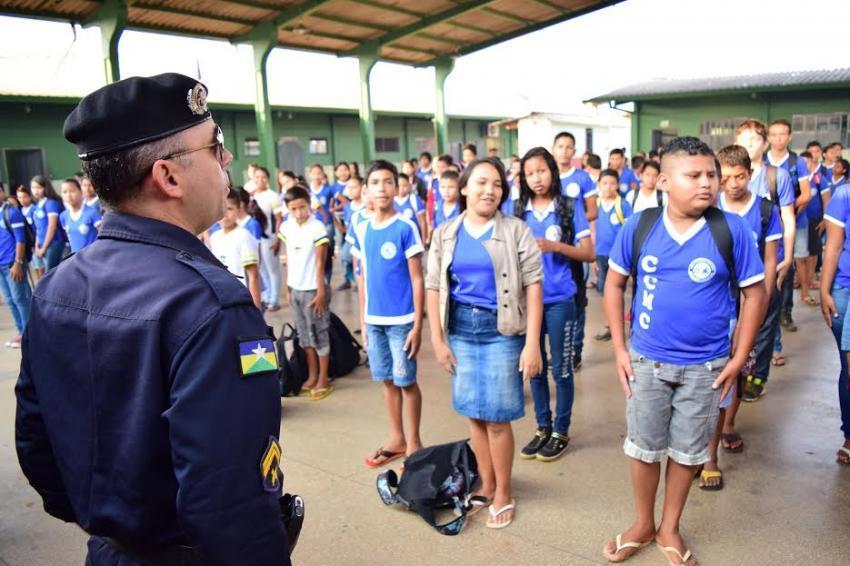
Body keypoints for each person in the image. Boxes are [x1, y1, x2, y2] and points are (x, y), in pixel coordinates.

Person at [15, 73, 292, 564]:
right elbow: (230, 502)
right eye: (215, 146)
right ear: (168, 177)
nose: (226, 159)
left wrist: (109, 524)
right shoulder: (211, 307)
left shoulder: (56, 286)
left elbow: (38, 443)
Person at [602, 137, 766, 564]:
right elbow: (615, 284)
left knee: (688, 450)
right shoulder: (640, 226)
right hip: (646, 361)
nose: (707, 184)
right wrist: (620, 350)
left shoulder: (730, 230)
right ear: (663, 181)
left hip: (706, 367)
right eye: (694, 176)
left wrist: (738, 356)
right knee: (644, 445)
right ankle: (642, 522)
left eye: (711, 174)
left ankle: (670, 527)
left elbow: (755, 293)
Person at [426, 157, 543, 529]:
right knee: (474, 412)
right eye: (480, 182)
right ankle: (488, 483)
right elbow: (432, 285)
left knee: (497, 417)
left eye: (496, 184)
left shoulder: (515, 230)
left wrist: (533, 344)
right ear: (463, 188)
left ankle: (505, 491)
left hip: (502, 331)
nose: (489, 190)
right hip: (460, 329)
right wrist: (438, 340)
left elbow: (534, 286)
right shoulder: (446, 232)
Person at [699, 144, 781, 488]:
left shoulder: (764, 210)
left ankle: (721, 433)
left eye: (740, 176)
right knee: (711, 371)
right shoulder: (708, 208)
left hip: (749, 301)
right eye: (726, 177)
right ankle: (704, 446)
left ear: (751, 174)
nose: (732, 184)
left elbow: (770, 261)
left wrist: (760, 306)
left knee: (739, 367)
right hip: (714, 300)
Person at [512, 148, 593, 463]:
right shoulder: (516, 209)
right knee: (534, 366)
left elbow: (588, 253)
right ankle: (542, 426)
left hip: (561, 299)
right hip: (526, 302)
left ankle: (561, 429)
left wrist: (554, 246)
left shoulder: (569, 207)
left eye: (542, 171)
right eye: (530, 173)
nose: (536, 178)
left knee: (560, 369)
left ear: (553, 172)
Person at [350, 160, 425, 470]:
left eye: (388, 182)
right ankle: (396, 439)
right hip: (375, 321)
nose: (382, 188)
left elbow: (417, 279)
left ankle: (415, 443)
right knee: (387, 382)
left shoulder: (405, 226)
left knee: (406, 381)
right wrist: (363, 321)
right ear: (367, 189)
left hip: (402, 321)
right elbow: (363, 277)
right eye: (376, 182)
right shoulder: (362, 227)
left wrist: (417, 325)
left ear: (397, 187)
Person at [735, 119, 796, 368]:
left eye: (755, 140)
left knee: (766, 314)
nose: (749, 145)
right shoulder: (728, 175)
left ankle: (757, 375)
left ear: (765, 142)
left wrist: (788, 258)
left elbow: (788, 218)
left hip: (768, 257)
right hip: (735, 259)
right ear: (735, 142)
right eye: (744, 140)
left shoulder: (776, 176)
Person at [279, 185, 333, 400]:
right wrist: (288, 285)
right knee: (304, 335)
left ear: (309, 205)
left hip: (313, 289)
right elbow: (288, 258)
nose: (299, 212)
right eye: (294, 208)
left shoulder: (317, 227)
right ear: (288, 209)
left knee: (319, 333)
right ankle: (312, 375)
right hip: (296, 287)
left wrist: (321, 291)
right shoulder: (286, 227)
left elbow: (320, 263)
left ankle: (324, 379)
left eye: (302, 207)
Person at [766, 119, 811, 332]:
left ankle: (786, 312)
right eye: (773, 134)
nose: (778, 138)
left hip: (794, 221)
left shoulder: (796, 162)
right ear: (768, 138)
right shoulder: (762, 161)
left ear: (789, 136)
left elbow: (807, 194)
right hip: (767, 222)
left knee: (788, 265)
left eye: (782, 134)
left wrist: (788, 208)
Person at [820, 183, 850, 466]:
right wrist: (825, 289)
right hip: (846, 289)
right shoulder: (844, 195)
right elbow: (834, 244)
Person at [592, 169, 632, 342]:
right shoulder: (595, 204)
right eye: (605, 183)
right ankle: (609, 326)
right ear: (599, 185)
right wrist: (592, 255)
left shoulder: (623, 205)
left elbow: (629, 231)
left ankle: (618, 326)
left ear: (618, 185)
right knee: (603, 291)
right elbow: (591, 230)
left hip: (618, 257)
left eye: (612, 183)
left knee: (617, 291)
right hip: (600, 255)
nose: (608, 187)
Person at [209, 188, 262, 308]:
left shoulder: (244, 236)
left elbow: (253, 276)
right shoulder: (215, 237)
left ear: (239, 209)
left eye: (230, 208)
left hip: (243, 300)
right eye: (221, 208)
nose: (224, 213)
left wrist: (256, 310)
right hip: (225, 299)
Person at [0, 194, 31, 348]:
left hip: (12, 264)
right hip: (1, 266)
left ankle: (29, 335)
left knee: (21, 299)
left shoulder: (11, 212)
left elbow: (20, 239)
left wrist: (18, 262)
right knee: (11, 301)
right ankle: (21, 332)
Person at [552, 131, 599, 221]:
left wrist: (572, 224)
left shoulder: (584, 177)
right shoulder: (546, 177)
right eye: (560, 147)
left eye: (569, 147)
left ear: (574, 151)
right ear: (553, 149)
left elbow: (593, 212)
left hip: (575, 234)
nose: (564, 151)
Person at [30, 175, 65, 278]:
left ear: (46, 188)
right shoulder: (37, 205)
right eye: (33, 187)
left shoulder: (51, 203)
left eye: (39, 187)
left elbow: (52, 226)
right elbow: (38, 228)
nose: (35, 191)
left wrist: (44, 247)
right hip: (41, 244)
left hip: (53, 244)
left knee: (51, 275)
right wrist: (37, 245)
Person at [59, 178, 101, 253]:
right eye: (65, 192)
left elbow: (102, 236)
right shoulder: (63, 216)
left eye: (72, 191)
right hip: (75, 258)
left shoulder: (92, 212)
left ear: (81, 192)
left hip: (92, 257)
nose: (68, 195)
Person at [338, 175, 364, 291]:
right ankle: (352, 279)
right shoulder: (347, 207)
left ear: (362, 188)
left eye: (354, 187)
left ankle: (360, 282)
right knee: (344, 258)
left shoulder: (366, 205)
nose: (351, 190)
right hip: (350, 239)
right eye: (349, 188)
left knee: (361, 262)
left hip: (362, 239)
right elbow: (346, 224)